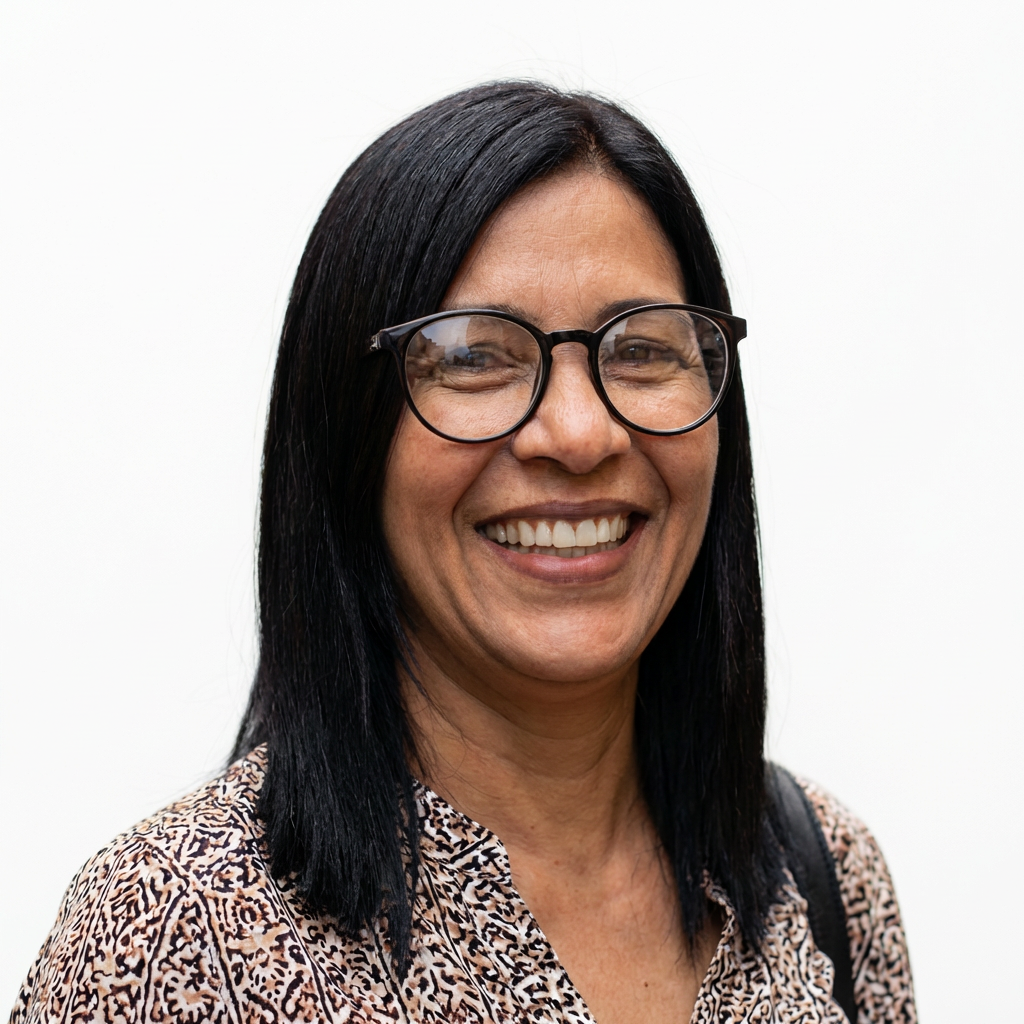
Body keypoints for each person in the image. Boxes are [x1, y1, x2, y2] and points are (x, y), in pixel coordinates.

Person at [11, 81, 916, 1024]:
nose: (578, 433)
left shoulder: (822, 880)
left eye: (642, 350)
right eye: (476, 356)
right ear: (348, 437)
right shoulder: (177, 937)